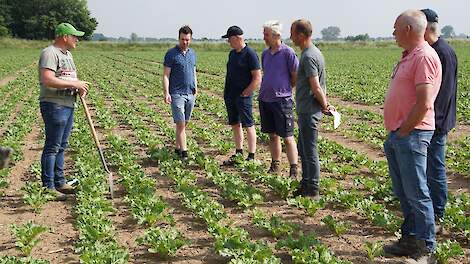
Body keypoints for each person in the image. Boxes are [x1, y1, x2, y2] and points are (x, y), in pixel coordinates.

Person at [382, 10, 442, 263]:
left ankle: (426, 246)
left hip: (413, 135)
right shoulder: (409, 56)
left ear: (408, 29)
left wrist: (406, 130)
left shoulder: (425, 57)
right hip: (399, 134)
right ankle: (409, 239)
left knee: (417, 192)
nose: (393, 33)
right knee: (404, 192)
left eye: (396, 28)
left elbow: (424, 102)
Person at [39, 23, 89, 199]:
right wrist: (74, 84)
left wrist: (77, 88)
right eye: (74, 36)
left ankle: (60, 182)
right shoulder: (50, 53)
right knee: (52, 146)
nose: (77, 39)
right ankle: (48, 187)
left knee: (62, 145)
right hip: (54, 104)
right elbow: (47, 79)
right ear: (64, 36)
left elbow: (67, 78)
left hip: (68, 104)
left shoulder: (67, 55)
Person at [421, 8, 458, 235]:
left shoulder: (442, 52)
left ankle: (438, 214)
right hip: (433, 121)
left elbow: (442, 94)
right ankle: (432, 211)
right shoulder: (435, 50)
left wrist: (432, 123)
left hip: (437, 122)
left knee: (435, 169)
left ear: (425, 28)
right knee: (430, 169)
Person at [289, 19, 334, 198]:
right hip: (307, 109)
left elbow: (315, 86)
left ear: (300, 35)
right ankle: (306, 184)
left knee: (310, 151)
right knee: (305, 148)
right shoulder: (313, 52)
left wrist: (325, 105)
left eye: (292, 33)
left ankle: (312, 189)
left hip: (309, 111)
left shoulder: (308, 56)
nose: (290, 37)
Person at [259, 20, 299, 177]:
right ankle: (275, 164)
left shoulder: (288, 53)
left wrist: (286, 89)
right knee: (272, 135)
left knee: (288, 137)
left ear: (276, 36)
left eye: (266, 34)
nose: (264, 37)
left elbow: (295, 75)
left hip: (282, 100)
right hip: (266, 99)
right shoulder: (265, 54)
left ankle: (294, 169)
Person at [221, 26, 261, 165]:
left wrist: (246, 93)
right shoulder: (232, 54)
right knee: (235, 124)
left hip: (243, 97)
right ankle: (238, 153)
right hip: (231, 95)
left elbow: (257, 77)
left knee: (248, 125)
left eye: (229, 39)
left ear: (237, 38)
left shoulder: (250, 54)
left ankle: (251, 155)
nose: (228, 42)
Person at [163, 25, 198, 161]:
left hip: (190, 93)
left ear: (191, 39)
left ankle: (177, 148)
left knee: (185, 123)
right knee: (181, 123)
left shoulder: (192, 53)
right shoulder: (171, 54)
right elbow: (166, 75)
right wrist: (166, 92)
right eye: (183, 39)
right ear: (179, 38)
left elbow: (194, 71)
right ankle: (184, 153)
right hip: (177, 93)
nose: (185, 42)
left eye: (187, 40)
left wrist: (196, 86)